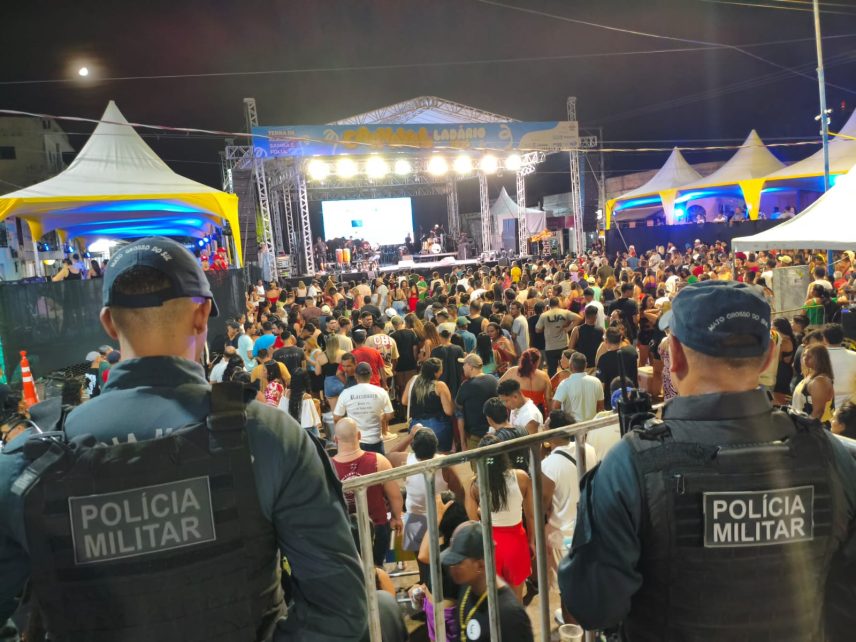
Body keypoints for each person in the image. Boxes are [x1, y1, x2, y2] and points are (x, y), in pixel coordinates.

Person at [0, 236, 366, 639]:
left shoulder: (25, 470)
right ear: (202, 314)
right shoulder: (270, 438)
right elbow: (342, 612)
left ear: (108, 322)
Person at [558, 280, 856, 641]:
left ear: (676, 355)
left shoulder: (630, 467)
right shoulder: (833, 456)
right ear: (768, 357)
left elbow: (591, 606)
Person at [465, 433, 535, 603]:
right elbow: (531, 515)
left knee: (492, 599)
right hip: (516, 542)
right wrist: (531, 541)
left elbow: (473, 522)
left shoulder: (475, 484)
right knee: (516, 599)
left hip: (490, 544)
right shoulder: (521, 477)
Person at [441, 521, 534, 642]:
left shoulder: (508, 613)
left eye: (459, 563)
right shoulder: (467, 589)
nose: (452, 567)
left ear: (480, 565)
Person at [331, 417, 403, 567]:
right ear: (359, 435)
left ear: (335, 439)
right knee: (377, 569)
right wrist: (396, 518)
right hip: (378, 528)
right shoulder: (379, 460)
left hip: (344, 533)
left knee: (354, 571)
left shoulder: (328, 467)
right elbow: (395, 496)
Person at [540, 410, 598, 590]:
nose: (543, 427)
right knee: (587, 582)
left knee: (567, 587)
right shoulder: (588, 449)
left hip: (562, 535)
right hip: (589, 527)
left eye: (546, 425)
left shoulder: (548, 465)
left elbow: (543, 504)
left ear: (554, 432)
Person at [334, 361, 393, 452]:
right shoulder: (381, 392)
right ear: (371, 375)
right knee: (378, 461)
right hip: (375, 440)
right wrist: (381, 417)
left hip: (355, 441)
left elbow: (337, 417)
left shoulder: (346, 393)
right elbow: (390, 415)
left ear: (355, 376)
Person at [402, 358, 456, 453]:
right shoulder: (440, 385)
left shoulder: (413, 380)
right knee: (441, 457)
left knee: (422, 456)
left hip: (416, 427)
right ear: (436, 372)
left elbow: (404, 401)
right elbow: (448, 411)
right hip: (438, 427)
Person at [455, 354, 499, 450]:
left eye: (464, 364)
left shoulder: (466, 386)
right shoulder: (493, 380)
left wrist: (462, 442)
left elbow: (460, 415)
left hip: (475, 439)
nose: (463, 367)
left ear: (470, 366)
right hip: (495, 434)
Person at [553, 351, 604, 422]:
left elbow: (555, 407)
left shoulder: (565, 384)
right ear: (586, 365)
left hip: (573, 426)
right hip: (592, 424)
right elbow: (600, 408)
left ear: (570, 366)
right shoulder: (596, 382)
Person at [498, 348, 552, 417]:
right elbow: (548, 399)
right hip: (538, 412)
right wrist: (550, 416)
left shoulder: (512, 371)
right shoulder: (544, 376)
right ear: (537, 362)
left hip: (517, 412)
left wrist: (507, 402)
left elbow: (498, 386)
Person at [792, 343, 836, 425]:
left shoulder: (820, 381)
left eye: (810, 356)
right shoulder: (810, 376)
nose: (805, 359)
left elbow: (818, 413)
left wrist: (806, 428)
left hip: (816, 428)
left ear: (820, 359)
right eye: (804, 355)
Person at [596, 327, 638, 410]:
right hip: (632, 396)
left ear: (606, 341)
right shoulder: (632, 351)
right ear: (620, 338)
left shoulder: (604, 359)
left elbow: (601, 384)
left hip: (612, 401)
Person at [536, 297, 579, 376]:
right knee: (567, 368)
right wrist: (568, 328)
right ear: (558, 303)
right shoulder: (565, 312)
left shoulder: (544, 315)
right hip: (563, 345)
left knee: (552, 370)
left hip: (550, 347)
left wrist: (546, 327)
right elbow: (578, 318)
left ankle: (553, 383)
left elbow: (537, 330)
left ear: (549, 305)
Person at [279, 368, 322, 438]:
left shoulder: (286, 393)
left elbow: (281, 413)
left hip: (288, 432)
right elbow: (309, 424)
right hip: (303, 435)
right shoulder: (306, 397)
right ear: (306, 381)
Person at [823, 324, 856, 410]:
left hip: (824, 407)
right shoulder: (854, 356)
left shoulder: (817, 357)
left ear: (824, 338)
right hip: (851, 407)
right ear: (842, 338)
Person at [569, 305, 604, 370]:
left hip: (580, 367)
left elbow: (570, 348)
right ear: (596, 316)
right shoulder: (602, 330)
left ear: (585, 315)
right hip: (595, 366)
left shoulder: (577, 330)